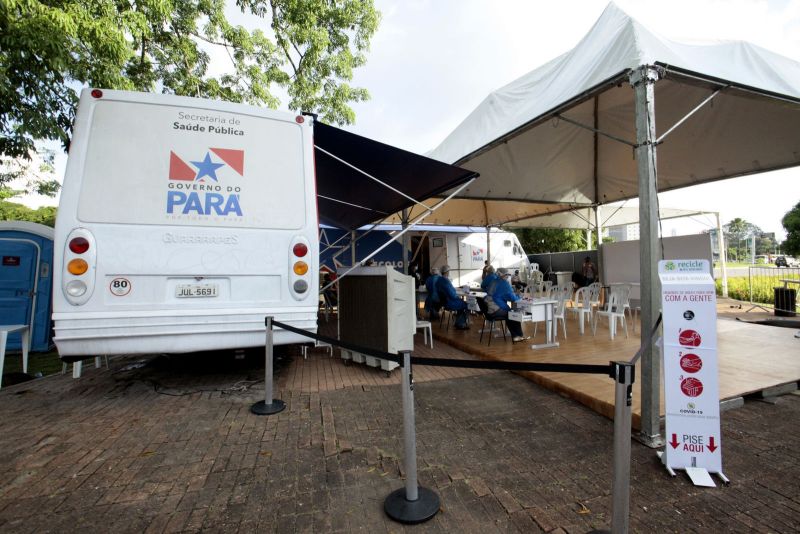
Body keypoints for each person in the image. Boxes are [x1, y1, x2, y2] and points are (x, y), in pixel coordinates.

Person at [486, 267, 527, 342]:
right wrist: (520, 295)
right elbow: (513, 298)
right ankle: (518, 335)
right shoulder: (504, 284)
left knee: (510, 313)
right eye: (507, 275)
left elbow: (500, 294)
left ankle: (516, 335)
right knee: (513, 314)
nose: (508, 277)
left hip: (489, 309)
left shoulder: (494, 281)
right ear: (504, 275)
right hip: (496, 309)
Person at [435, 264, 469, 329]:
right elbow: (452, 295)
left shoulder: (438, 281)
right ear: (447, 272)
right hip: (450, 303)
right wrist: (457, 295)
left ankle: (459, 322)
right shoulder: (446, 282)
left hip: (444, 303)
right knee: (466, 305)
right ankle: (460, 324)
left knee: (461, 303)